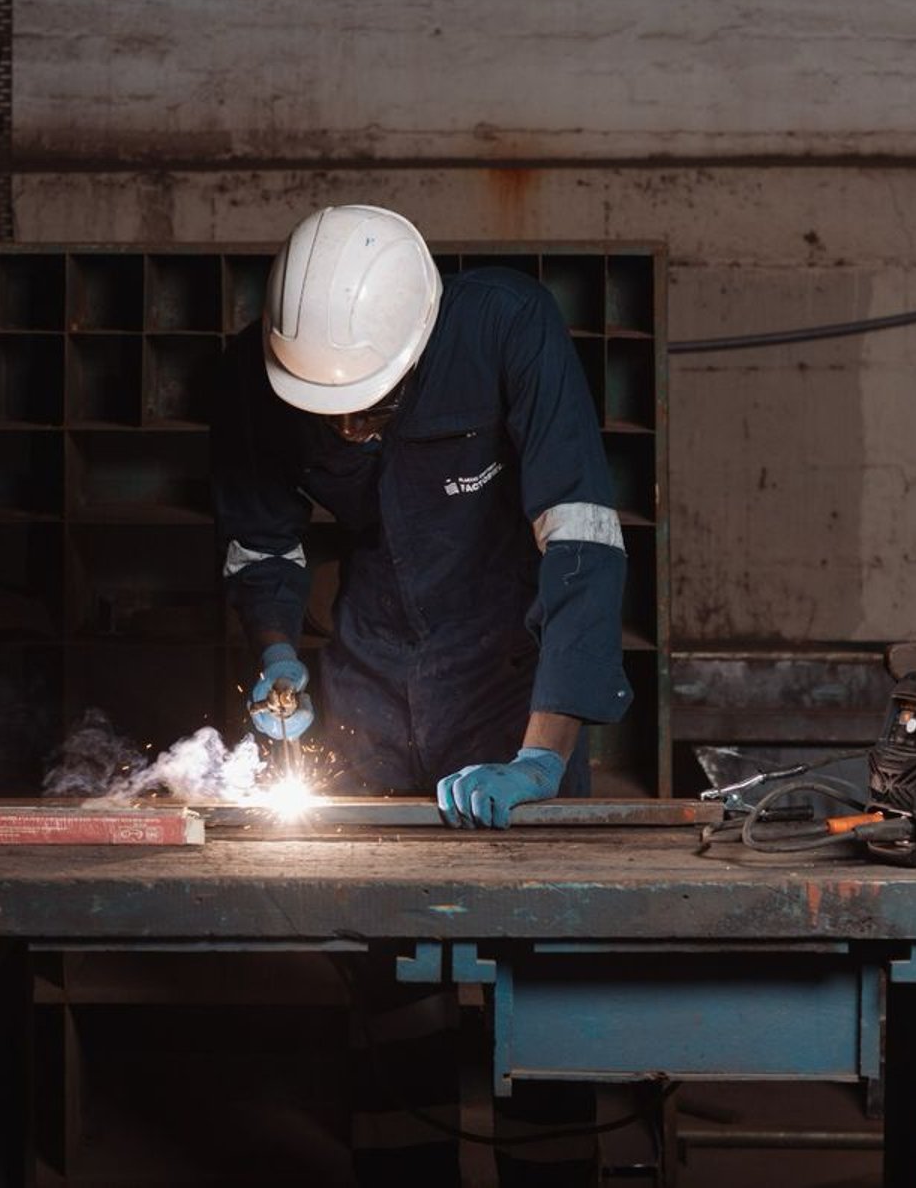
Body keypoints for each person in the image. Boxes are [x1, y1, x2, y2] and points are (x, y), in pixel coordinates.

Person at [211, 204, 631, 1184]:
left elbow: (580, 538)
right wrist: (277, 655)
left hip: (509, 673)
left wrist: (543, 751)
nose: (347, 424)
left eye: (368, 402)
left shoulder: (506, 326)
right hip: (368, 668)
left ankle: (552, 1166)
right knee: (389, 963)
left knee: (541, 968)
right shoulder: (255, 371)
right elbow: (261, 544)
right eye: (325, 411)